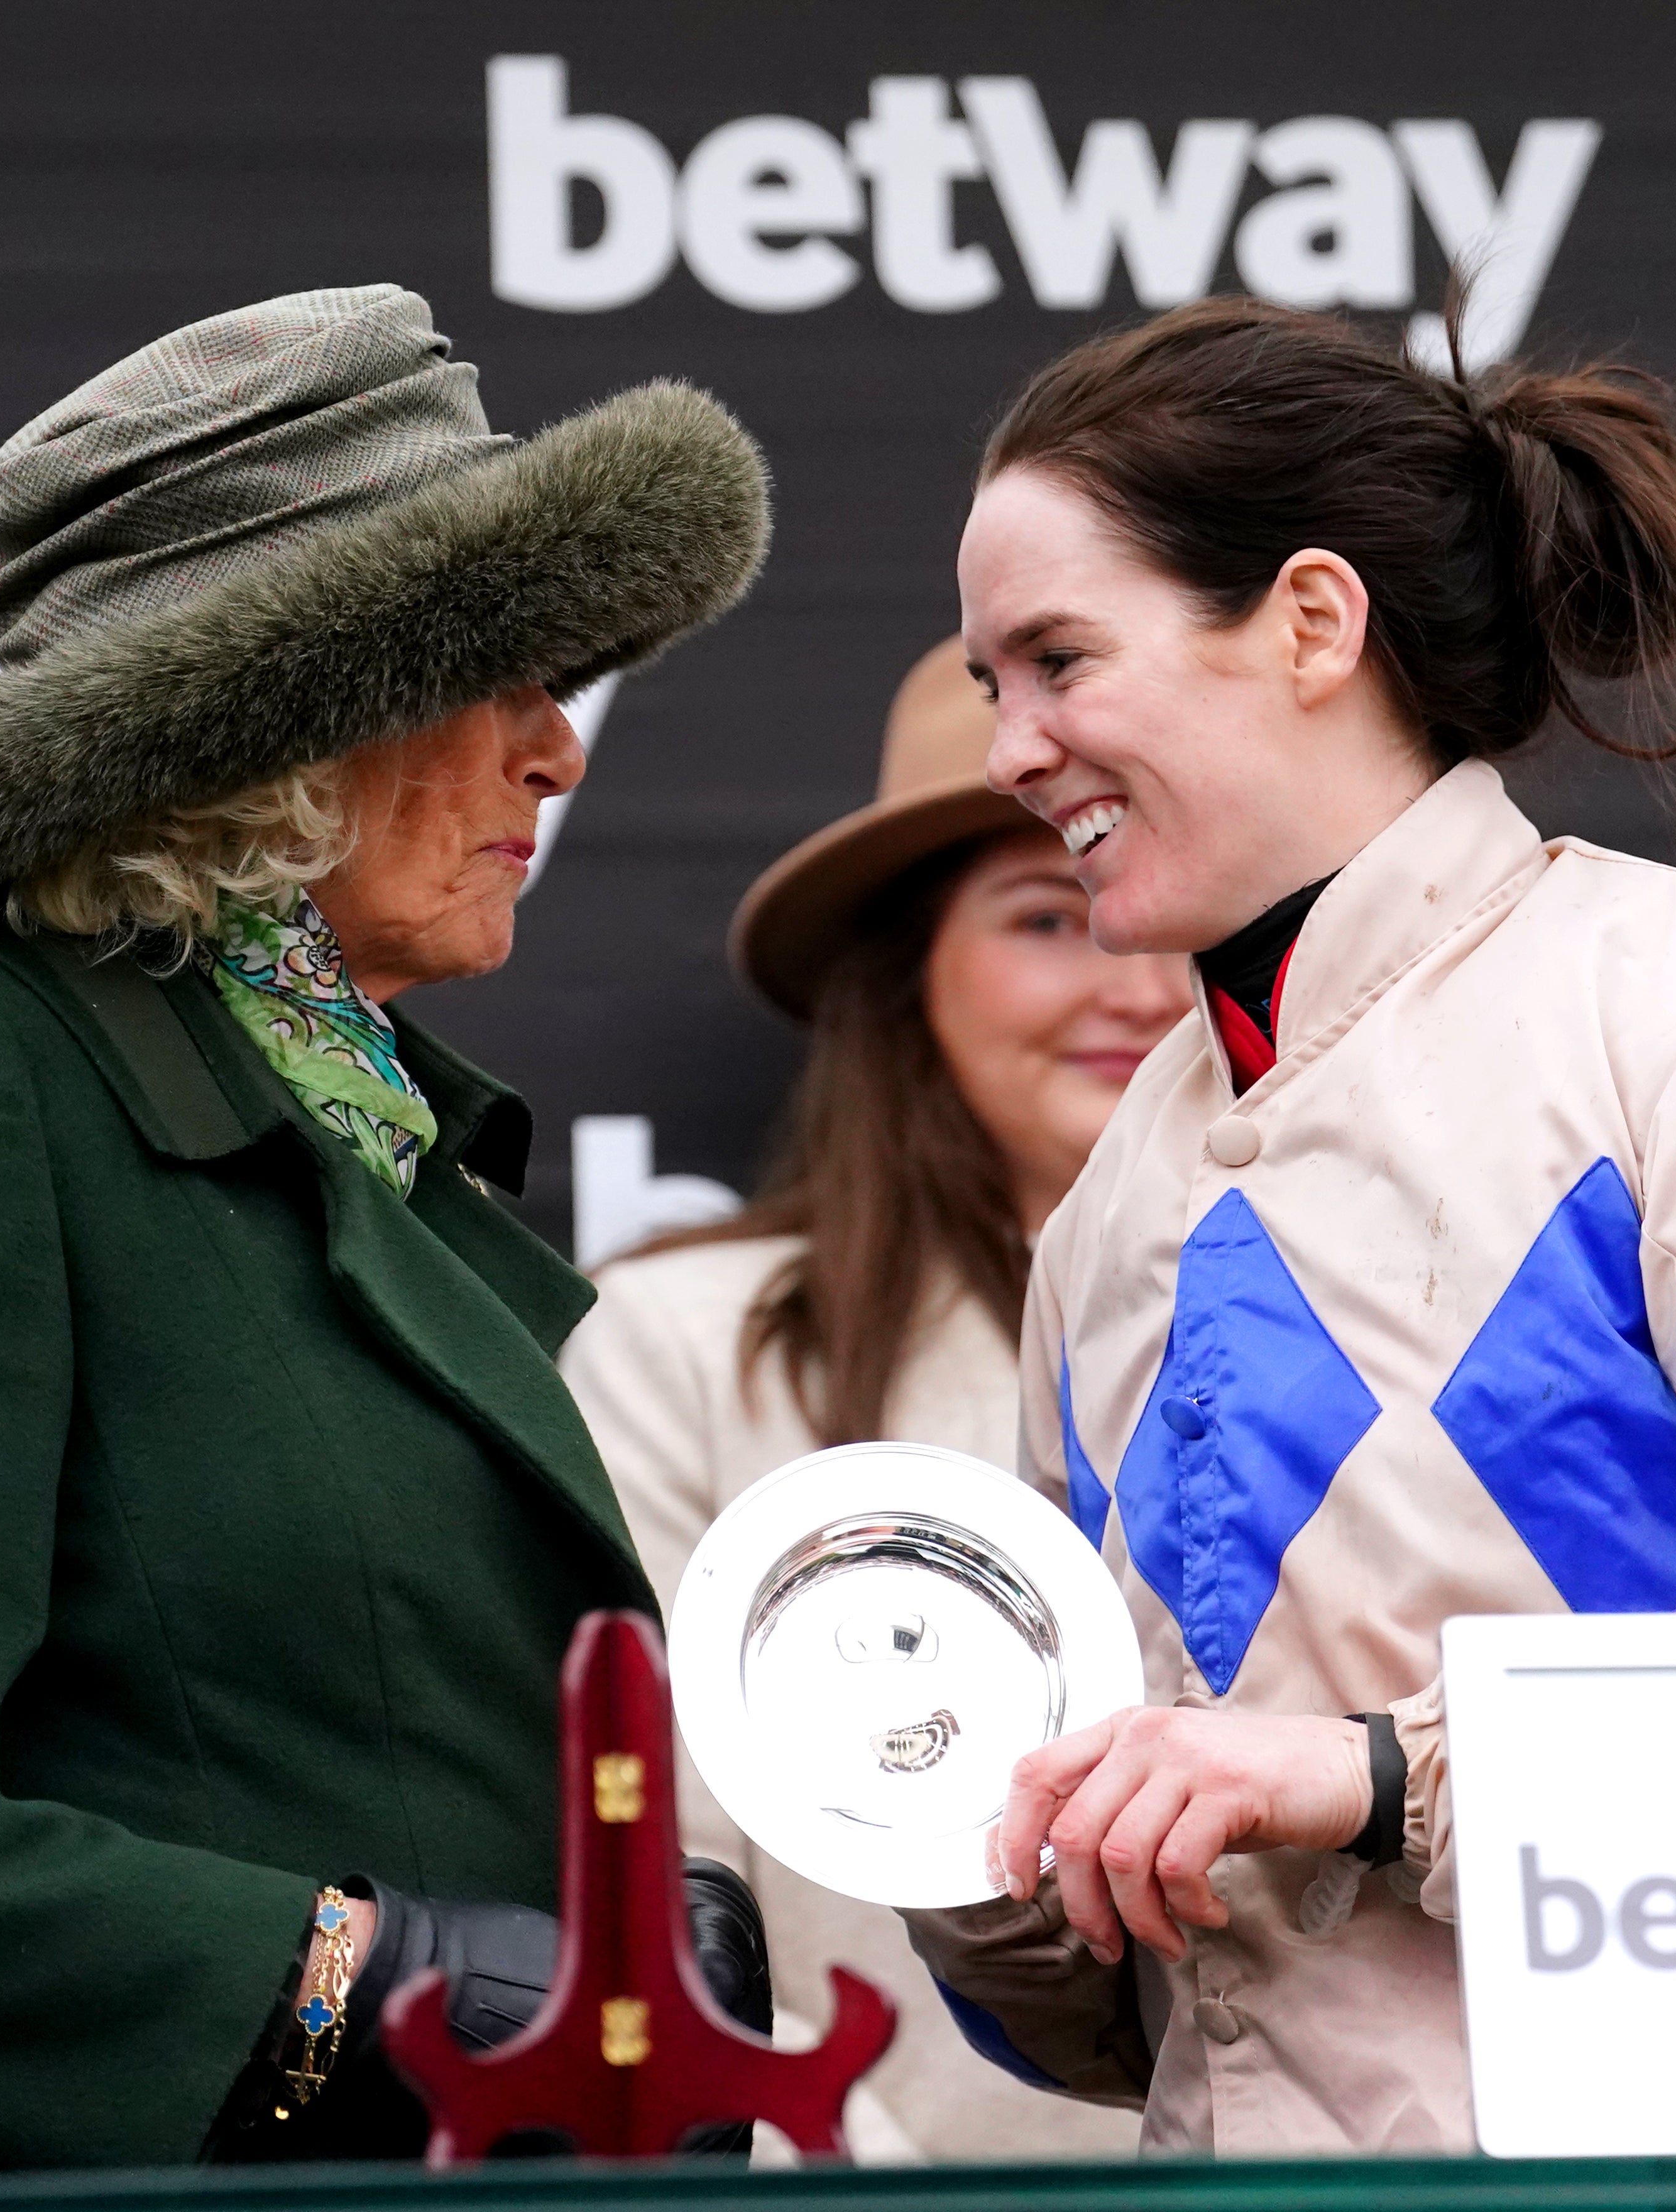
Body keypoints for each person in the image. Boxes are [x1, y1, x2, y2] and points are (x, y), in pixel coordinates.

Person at [900, 298, 1676, 2154]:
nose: (1012, 749)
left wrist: (1381, 1779)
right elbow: (1137, 2015)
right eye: (993, 684)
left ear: (1312, 622)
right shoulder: (1119, 1199)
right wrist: (961, 1840)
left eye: (1058, 659)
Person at [0, 286, 776, 2176]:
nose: (558, 753)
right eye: (498, 677)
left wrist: (605, 1970)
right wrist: (365, 1990)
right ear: (277, 731)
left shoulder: (370, 1135)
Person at [564, 639, 1186, 2163]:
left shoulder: (1395, 1331)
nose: (1138, 980)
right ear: (908, 968)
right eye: (1050, 915)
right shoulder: (688, 1344)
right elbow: (660, 1879)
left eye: (1178, 912)